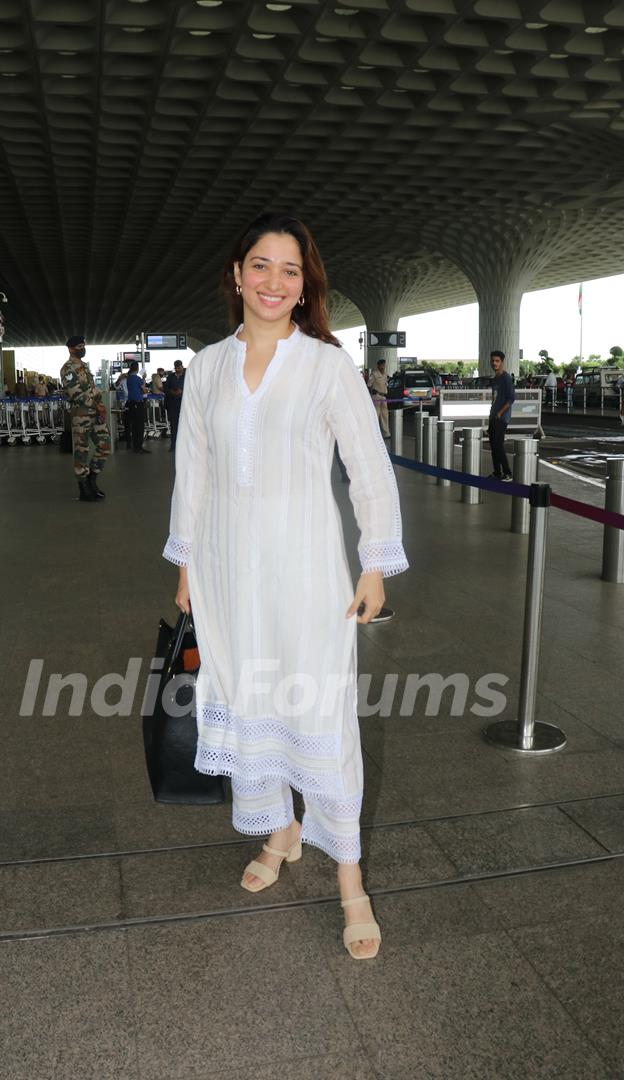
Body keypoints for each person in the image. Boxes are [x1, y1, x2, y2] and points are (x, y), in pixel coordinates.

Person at [163, 212, 408, 960]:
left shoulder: (326, 366)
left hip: (306, 571)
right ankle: (280, 830)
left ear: (306, 287)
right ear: (237, 276)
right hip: (228, 573)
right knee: (248, 697)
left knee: (321, 708)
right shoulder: (205, 368)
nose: (274, 282)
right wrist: (184, 566)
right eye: (261, 266)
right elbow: (193, 473)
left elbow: (369, 468)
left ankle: (349, 878)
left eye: (290, 270)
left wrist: (375, 562)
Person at [59, 335, 110, 501]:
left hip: (95, 413)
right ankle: (83, 488)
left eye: (84, 345)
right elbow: (76, 394)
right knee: (82, 450)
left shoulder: (84, 367)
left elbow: (92, 389)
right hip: (81, 414)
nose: (83, 348)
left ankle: (91, 479)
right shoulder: (67, 369)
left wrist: (100, 405)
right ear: (71, 349)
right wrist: (97, 405)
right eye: (79, 346)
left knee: (104, 445)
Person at [488, 350, 515, 481]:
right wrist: (492, 414)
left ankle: (508, 473)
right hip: (493, 416)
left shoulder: (506, 378)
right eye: (493, 360)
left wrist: (500, 412)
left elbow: (511, 399)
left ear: (502, 362)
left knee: (498, 445)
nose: (494, 363)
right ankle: (497, 472)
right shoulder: (494, 379)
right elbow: (494, 399)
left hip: (501, 417)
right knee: (493, 445)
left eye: (497, 361)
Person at [126, 361, 151, 454]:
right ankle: (139, 447)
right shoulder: (137, 379)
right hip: (138, 403)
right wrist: (144, 380)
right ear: (137, 368)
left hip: (131, 404)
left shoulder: (129, 378)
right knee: (140, 426)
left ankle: (134, 446)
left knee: (134, 426)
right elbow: (144, 390)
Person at [165, 359, 186, 451]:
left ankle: (184, 446)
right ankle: (173, 445)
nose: (178, 369)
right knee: (174, 425)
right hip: (173, 404)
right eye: (176, 368)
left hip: (184, 404)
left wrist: (182, 391)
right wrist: (173, 392)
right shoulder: (170, 377)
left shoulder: (187, 376)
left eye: (179, 367)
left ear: (182, 366)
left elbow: (192, 388)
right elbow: (166, 389)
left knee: (184, 425)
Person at [370, 358, 390, 437]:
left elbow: (386, 384)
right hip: (376, 396)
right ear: (378, 366)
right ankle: (374, 433)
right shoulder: (374, 374)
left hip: (384, 396)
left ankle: (386, 432)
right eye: (381, 365)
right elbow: (369, 385)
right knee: (376, 414)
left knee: (385, 415)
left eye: (384, 365)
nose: (383, 366)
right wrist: (372, 392)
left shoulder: (385, 374)